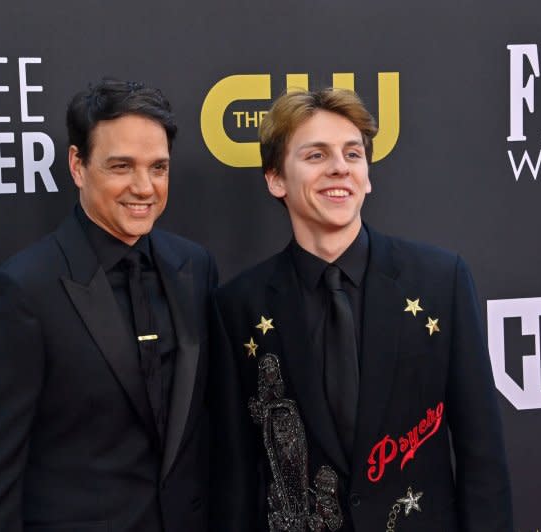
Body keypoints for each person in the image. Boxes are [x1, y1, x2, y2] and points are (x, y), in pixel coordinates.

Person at [210, 88, 512, 531]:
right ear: (276, 179)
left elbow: (481, 452)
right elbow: (236, 475)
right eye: (316, 155)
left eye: (352, 154)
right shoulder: (238, 305)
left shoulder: (440, 280)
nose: (339, 167)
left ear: (367, 175)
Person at [0, 79, 217, 532]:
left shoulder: (194, 268)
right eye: (121, 166)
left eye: (158, 167)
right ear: (78, 165)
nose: (144, 187)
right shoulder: (21, 293)